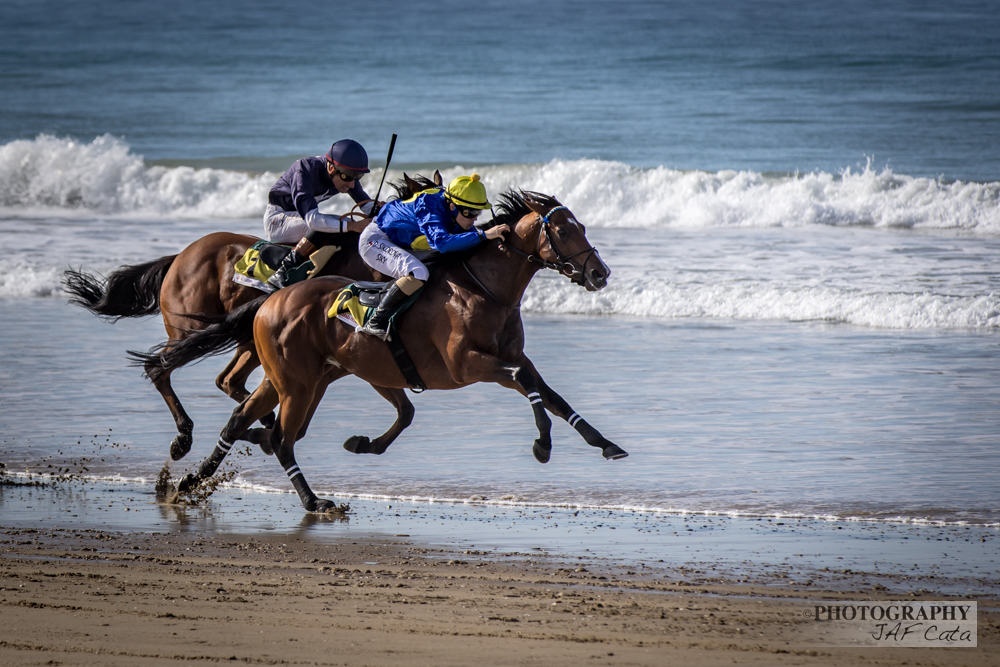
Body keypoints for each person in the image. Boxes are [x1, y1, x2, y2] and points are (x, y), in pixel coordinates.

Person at [358, 173, 510, 339]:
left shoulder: (452, 206)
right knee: (418, 273)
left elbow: (467, 236)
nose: (474, 218)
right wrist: (483, 235)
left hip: (402, 242)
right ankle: (376, 321)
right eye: (469, 212)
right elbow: (442, 243)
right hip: (376, 240)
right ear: (452, 206)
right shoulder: (429, 206)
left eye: (478, 213)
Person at [264, 139, 374, 289]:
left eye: (357, 178)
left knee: (340, 224)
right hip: (277, 221)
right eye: (347, 177)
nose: (352, 184)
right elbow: (313, 221)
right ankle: (284, 270)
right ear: (331, 168)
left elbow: (366, 205)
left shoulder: (345, 174)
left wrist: (382, 210)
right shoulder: (304, 170)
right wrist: (353, 226)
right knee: (334, 223)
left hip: (299, 219)